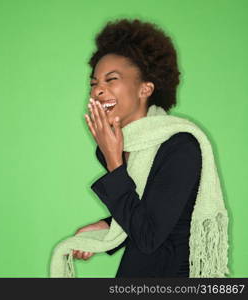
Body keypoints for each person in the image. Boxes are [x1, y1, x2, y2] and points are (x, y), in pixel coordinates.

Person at [73, 18, 202, 277]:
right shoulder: (117, 147)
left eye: (111, 80)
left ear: (146, 88)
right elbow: (145, 213)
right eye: (94, 83)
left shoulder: (181, 147)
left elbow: (150, 235)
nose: (98, 90)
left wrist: (114, 163)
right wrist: (105, 226)